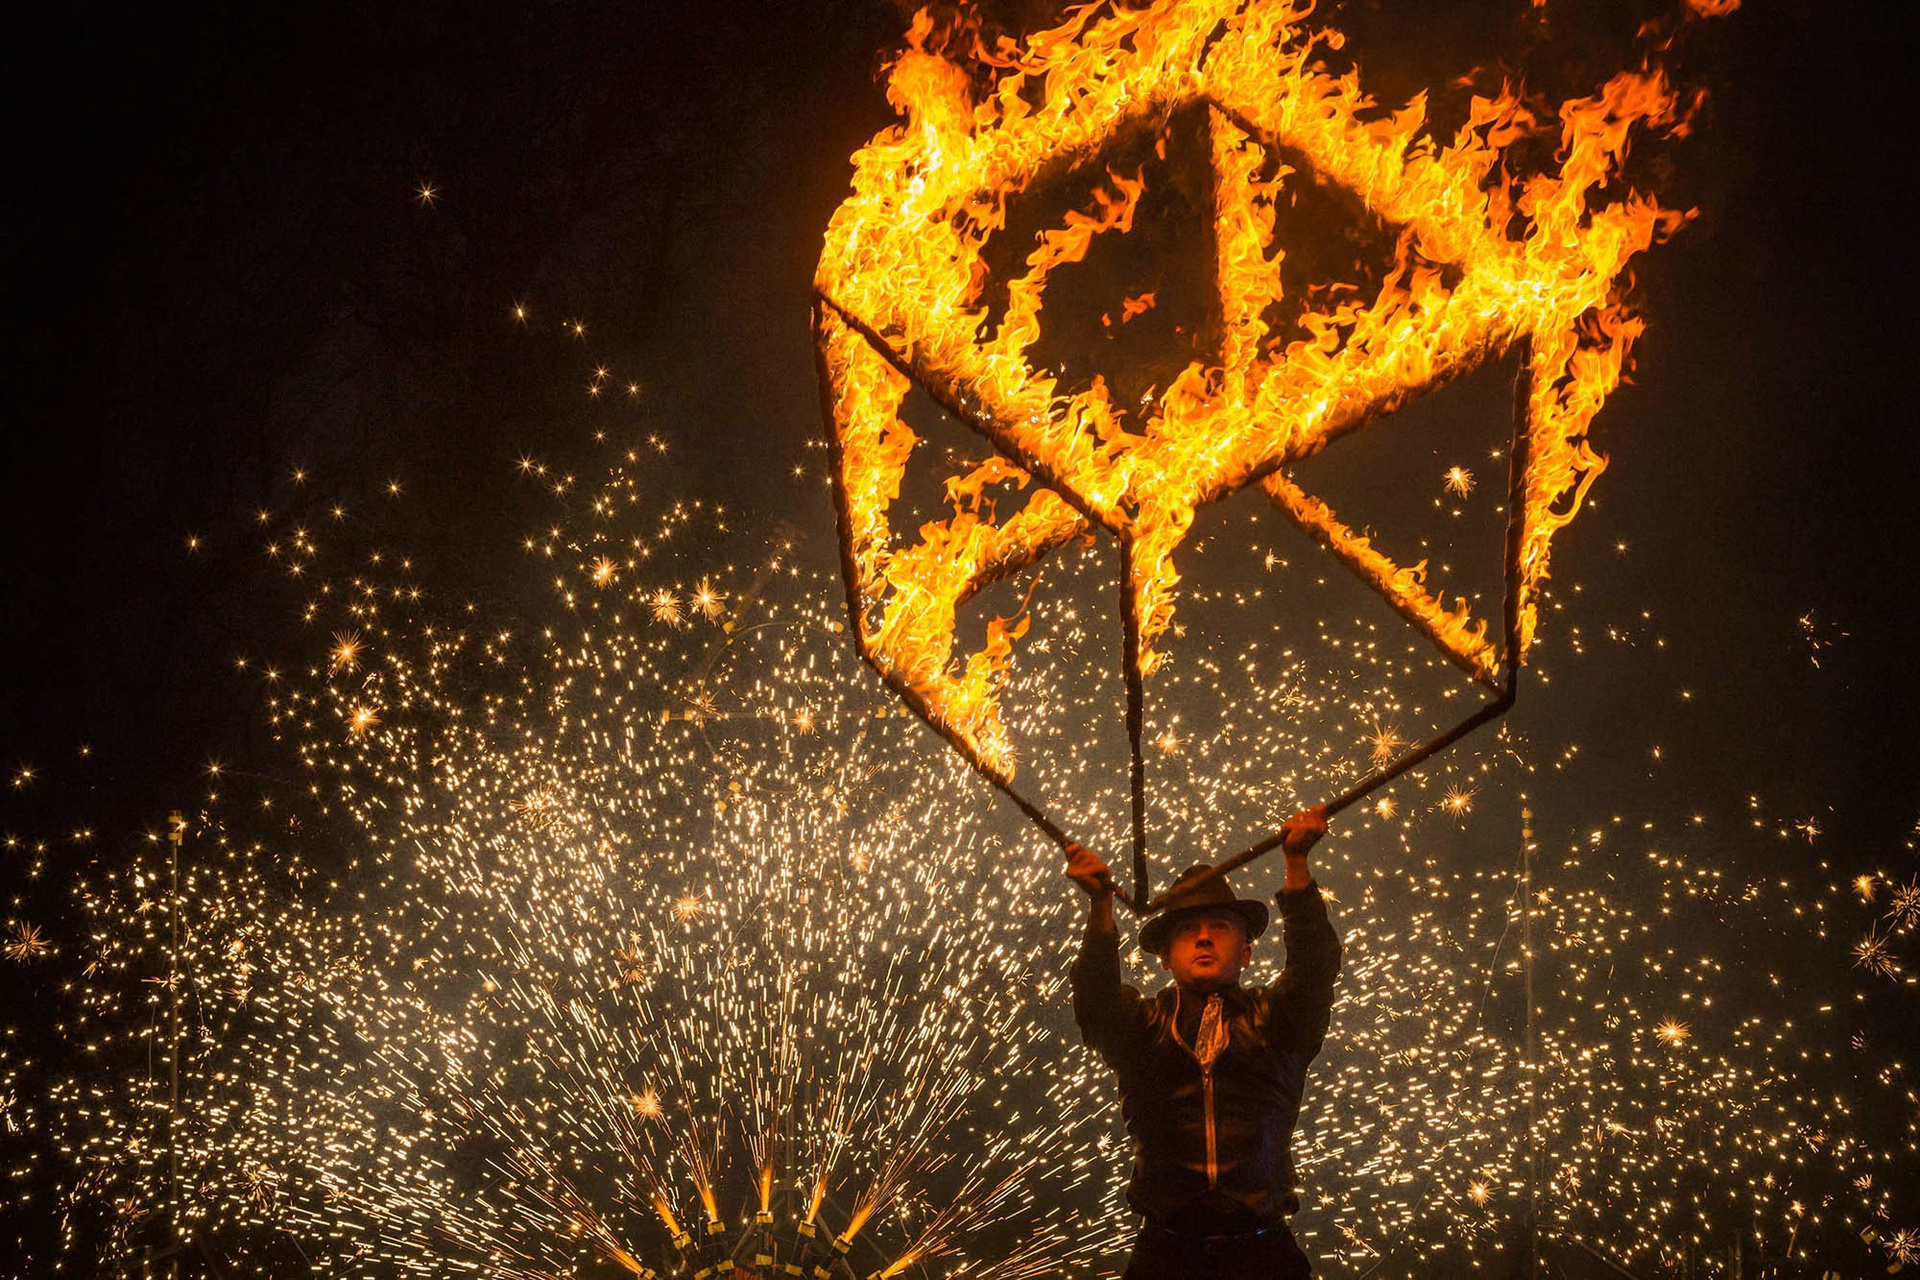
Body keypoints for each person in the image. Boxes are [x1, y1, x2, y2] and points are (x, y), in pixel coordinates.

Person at [1067, 808, 1341, 1280]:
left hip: (1265, 1256)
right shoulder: (1141, 1028)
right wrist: (1100, 906)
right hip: (1166, 1257)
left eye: (1220, 926)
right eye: (1187, 930)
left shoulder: (1276, 1023)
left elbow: (1315, 967)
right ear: (1165, 957)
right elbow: (1095, 1000)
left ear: (1246, 952)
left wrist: (1297, 864)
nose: (1203, 938)